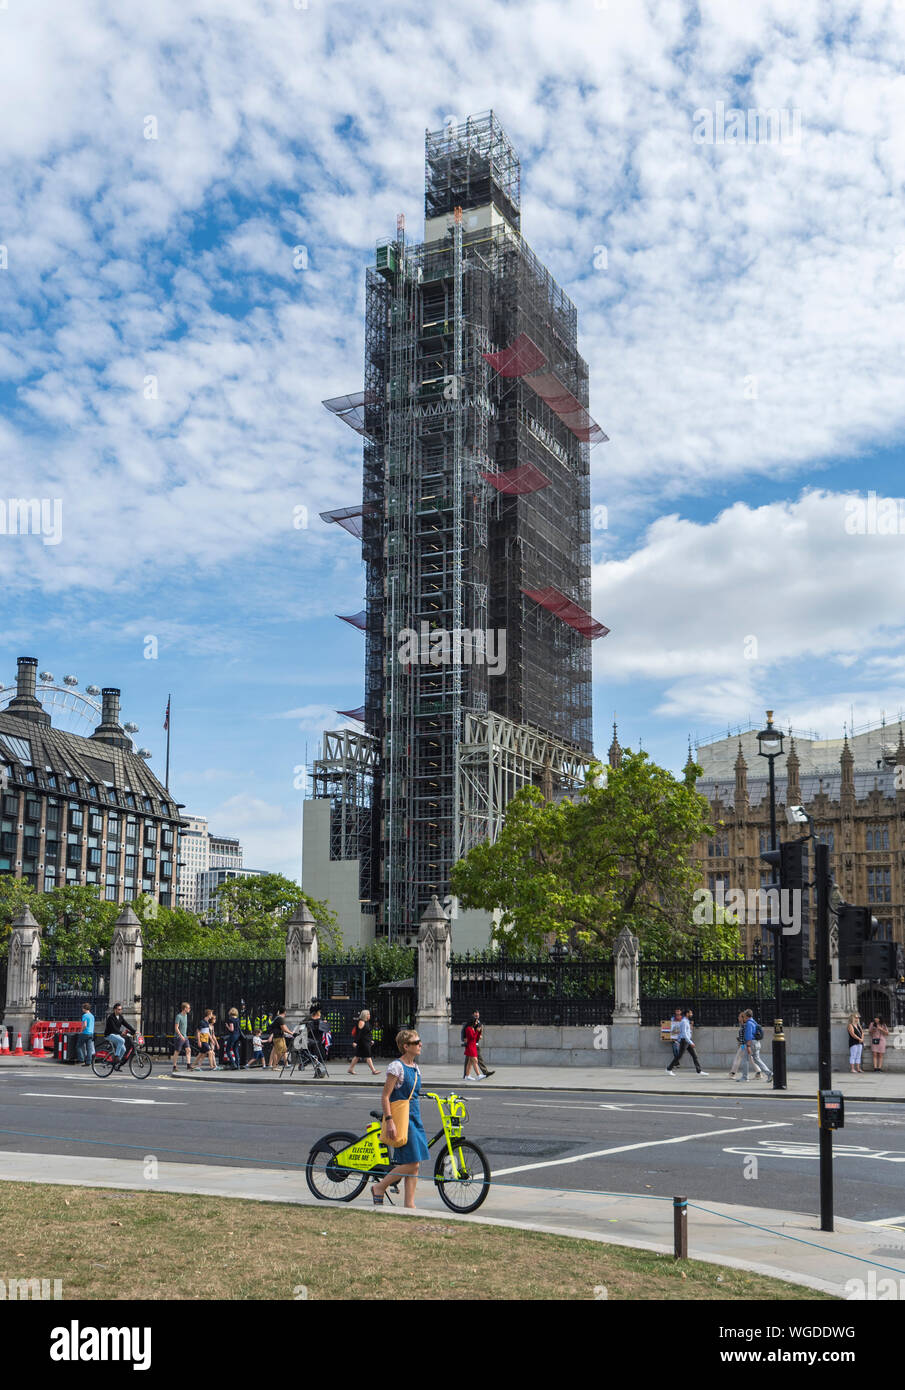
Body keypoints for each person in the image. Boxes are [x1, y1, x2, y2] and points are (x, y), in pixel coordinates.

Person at [370, 1029, 430, 1210]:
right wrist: (389, 1121)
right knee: (413, 1163)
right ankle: (379, 1187)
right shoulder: (396, 1067)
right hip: (402, 1118)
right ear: (406, 1046)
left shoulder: (415, 1067)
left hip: (415, 1116)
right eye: (416, 1042)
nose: (420, 1044)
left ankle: (409, 1204)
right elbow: (385, 1096)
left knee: (414, 1164)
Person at [666, 1009, 708, 1076]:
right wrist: (690, 1042)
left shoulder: (686, 1021)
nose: (692, 1014)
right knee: (679, 1056)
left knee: (695, 1056)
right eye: (691, 1013)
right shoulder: (684, 1022)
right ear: (687, 1014)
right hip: (685, 1041)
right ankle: (669, 1069)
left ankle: (699, 1071)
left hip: (687, 1040)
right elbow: (684, 1033)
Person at [738, 1009, 772, 1082]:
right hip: (756, 1043)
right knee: (757, 1059)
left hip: (750, 1043)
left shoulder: (748, 1024)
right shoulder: (754, 1022)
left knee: (745, 1059)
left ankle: (744, 1077)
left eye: (744, 1015)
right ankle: (769, 1073)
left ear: (746, 1016)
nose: (743, 1017)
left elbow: (749, 1036)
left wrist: (748, 1047)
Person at [348, 1009, 378, 1076]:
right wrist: (355, 1042)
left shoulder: (366, 1022)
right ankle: (373, 1070)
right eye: (368, 1014)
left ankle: (350, 1069)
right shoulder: (361, 1022)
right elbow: (359, 1033)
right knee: (368, 1056)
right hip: (363, 1042)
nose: (369, 1015)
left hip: (366, 1041)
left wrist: (371, 1040)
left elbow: (367, 1033)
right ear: (365, 1015)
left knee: (357, 1056)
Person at [171, 1001, 194, 1074]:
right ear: (184, 1008)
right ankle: (174, 1067)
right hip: (179, 1037)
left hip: (185, 1036)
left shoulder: (186, 1015)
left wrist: (184, 1036)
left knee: (188, 1050)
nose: (189, 1009)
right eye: (188, 1008)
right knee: (177, 1052)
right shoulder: (179, 1016)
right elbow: (176, 1028)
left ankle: (188, 1065)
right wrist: (181, 1036)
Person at [728, 1011, 746, 1078]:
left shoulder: (744, 1025)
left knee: (737, 1058)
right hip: (744, 1044)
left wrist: (741, 1043)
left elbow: (745, 1036)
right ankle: (758, 1072)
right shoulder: (743, 1025)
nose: (738, 1018)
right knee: (752, 1058)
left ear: (742, 1018)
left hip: (744, 1045)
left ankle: (733, 1073)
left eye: (739, 1016)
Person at [78, 1002, 95, 1067]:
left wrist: (81, 1030)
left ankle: (81, 1059)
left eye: (82, 1008)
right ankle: (88, 1062)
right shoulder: (92, 1016)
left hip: (85, 1033)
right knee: (89, 1048)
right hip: (91, 1033)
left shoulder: (85, 1015)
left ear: (84, 1009)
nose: (82, 1009)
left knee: (79, 1046)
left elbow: (84, 1025)